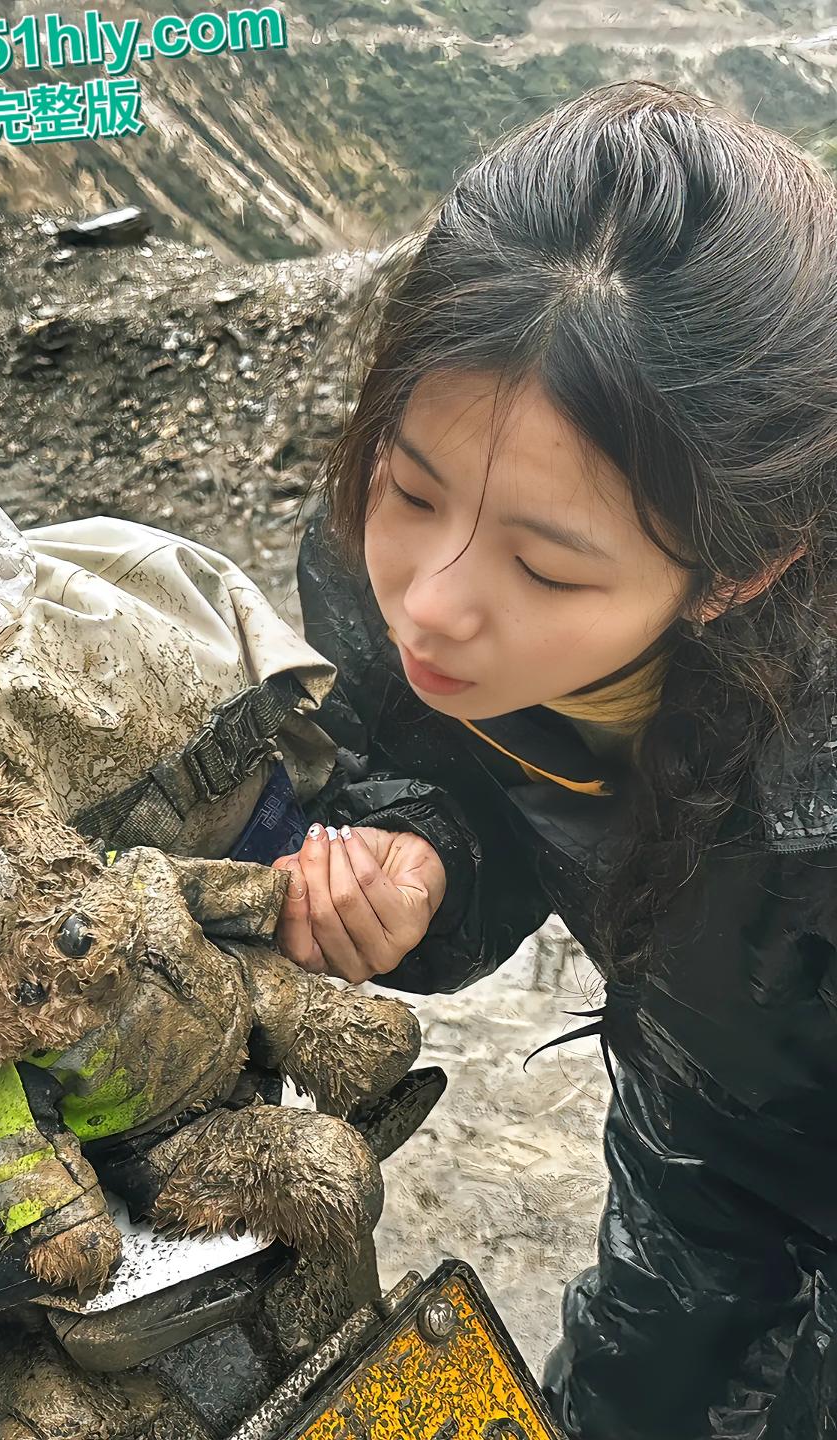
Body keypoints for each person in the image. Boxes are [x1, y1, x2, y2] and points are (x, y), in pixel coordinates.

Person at [270, 79, 837, 1438]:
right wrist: (424, 855)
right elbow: (461, 777)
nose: (433, 603)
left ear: (739, 572)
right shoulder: (379, 578)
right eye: (411, 489)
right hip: (700, 1112)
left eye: (545, 564)